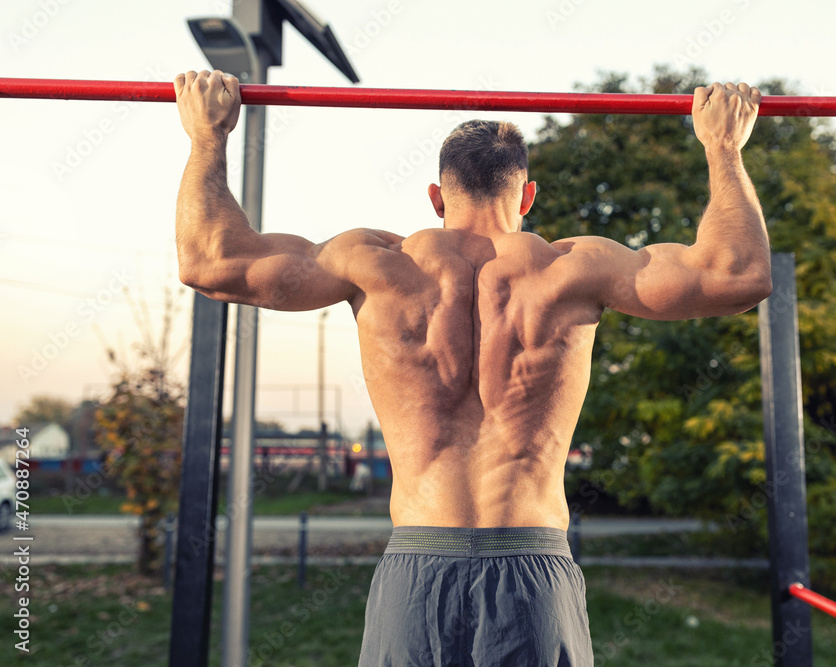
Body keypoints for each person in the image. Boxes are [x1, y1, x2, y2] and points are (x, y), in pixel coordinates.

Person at [174, 70, 771, 666]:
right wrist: (722, 148)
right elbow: (738, 278)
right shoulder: (575, 269)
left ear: (436, 198)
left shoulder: (374, 265)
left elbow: (210, 261)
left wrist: (208, 136)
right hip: (533, 569)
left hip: (416, 572)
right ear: (527, 195)